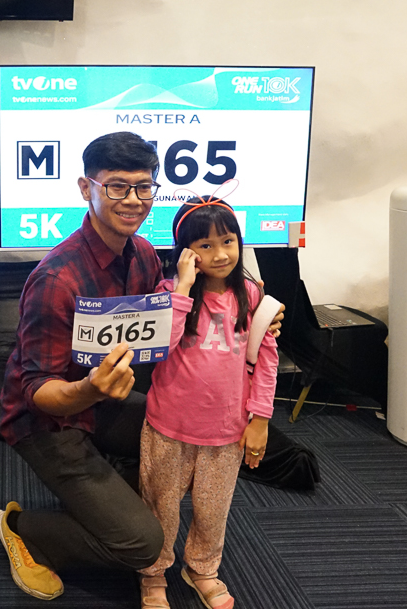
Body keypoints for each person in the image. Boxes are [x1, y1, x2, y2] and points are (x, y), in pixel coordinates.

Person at [0, 131, 283, 601]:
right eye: (117, 186)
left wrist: (257, 318)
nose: (133, 200)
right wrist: (90, 389)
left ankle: (113, 503)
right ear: (86, 188)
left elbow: (173, 329)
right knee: (143, 544)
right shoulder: (56, 279)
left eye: (144, 186)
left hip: (106, 401)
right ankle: (25, 529)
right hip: (49, 421)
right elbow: (37, 390)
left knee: (191, 440)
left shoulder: (145, 254)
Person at [136, 197, 278, 608]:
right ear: (186, 251)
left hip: (226, 430)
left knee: (213, 511)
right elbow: (160, 345)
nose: (220, 254)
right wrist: (182, 287)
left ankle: (201, 568)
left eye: (228, 241)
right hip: (169, 426)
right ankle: (153, 572)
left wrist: (260, 419)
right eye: (205, 245)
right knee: (160, 506)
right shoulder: (169, 293)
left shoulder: (252, 295)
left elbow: (267, 360)